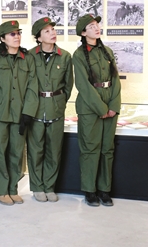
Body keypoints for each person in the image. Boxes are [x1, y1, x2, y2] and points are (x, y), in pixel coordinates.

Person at [0, 20, 38, 206]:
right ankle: (1, 190)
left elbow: (32, 87)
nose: (17, 36)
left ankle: (12, 189)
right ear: (3, 38)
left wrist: (28, 112)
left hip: (19, 114)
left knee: (16, 153)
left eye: (18, 33)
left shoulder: (27, 58)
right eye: (12, 34)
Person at [72, 14, 121, 208]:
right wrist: (101, 108)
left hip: (109, 104)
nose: (96, 28)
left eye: (97, 25)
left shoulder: (107, 51)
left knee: (107, 149)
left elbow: (115, 79)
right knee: (90, 149)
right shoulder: (78, 55)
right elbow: (83, 85)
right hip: (89, 107)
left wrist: (114, 106)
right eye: (91, 26)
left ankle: (104, 189)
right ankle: (89, 190)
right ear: (84, 33)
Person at [26, 17, 73, 203]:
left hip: (56, 109)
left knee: (54, 150)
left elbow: (68, 85)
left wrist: (59, 102)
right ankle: (37, 187)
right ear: (38, 38)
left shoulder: (65, 56)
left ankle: (49, 186)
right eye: (47, 31)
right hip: (36, 109)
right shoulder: (29, 56)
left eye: (53, 29)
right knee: (35, 150)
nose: (52, 33)